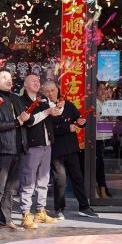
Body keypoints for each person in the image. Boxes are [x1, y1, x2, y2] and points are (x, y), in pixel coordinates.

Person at [43, 78, 97, 218]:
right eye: (47, 91)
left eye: (53, 90)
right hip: (56, 149)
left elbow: (79, 120)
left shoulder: (68, 105)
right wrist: (68, 127)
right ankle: (59, 209)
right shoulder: (44, 108)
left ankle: (84, 207)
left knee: (77, 178)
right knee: (60, 180)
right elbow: (49, 129)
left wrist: (81, 122)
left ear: (58, 90)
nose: (51, 93)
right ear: (43, 93)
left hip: (71, 148)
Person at [0, 68, 26, 235]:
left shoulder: (15, 98)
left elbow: (24, 119)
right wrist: (15, 122)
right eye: (4, 77)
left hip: (17, 148)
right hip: (2, 149)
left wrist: (26, 119)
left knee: (10, 189)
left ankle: (6, 220)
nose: (9, 81)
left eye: (10, 78)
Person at [18, 72, 61, 225]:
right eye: (33, 81)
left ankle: (40, 211)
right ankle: (25, 213)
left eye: (38, 81)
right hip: (32, 145)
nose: (37, 83)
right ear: (25, 84)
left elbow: (55, 111)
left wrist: (57, 108)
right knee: (29, 180)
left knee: (44, 179)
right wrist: (48, 111)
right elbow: (29, 121)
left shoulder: (43, 99)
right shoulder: (21, 101)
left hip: (47, 144)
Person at [94, 82, 117, 199]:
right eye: (100, 89)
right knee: (98, 165)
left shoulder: (108, 103)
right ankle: (99, 190)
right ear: (95, 91)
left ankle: (102, 189)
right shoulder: (94, 103)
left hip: (106, 137)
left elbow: (113, 122)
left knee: (101, 165)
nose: (103, 91)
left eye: (105, 89)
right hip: (95, 138)